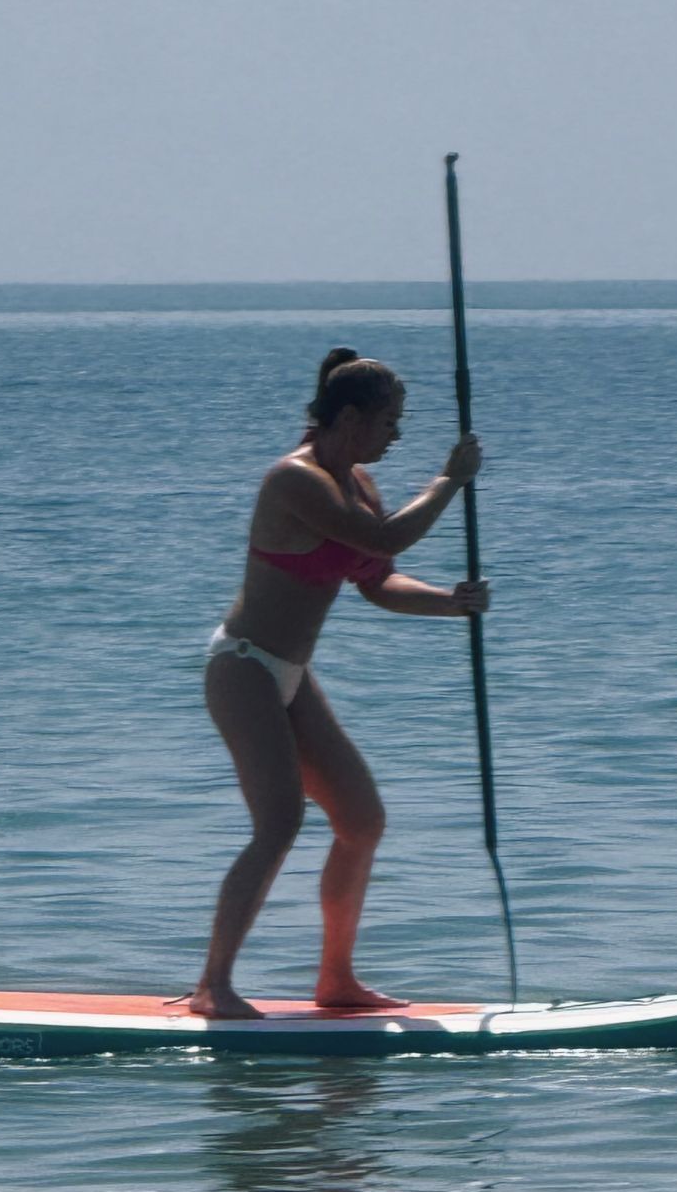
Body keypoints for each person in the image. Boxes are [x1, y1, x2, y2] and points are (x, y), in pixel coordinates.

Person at [190, 347, 487, 1019]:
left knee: (361, 819)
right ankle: (213, 984)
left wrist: (451, 601)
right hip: (243, 666)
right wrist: (449, 480)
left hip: (290, 675)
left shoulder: (358, 483)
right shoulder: (294, 480)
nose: (396, 436)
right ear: (350, 418)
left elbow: (376, 577)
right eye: (391, 423)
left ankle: (337, 980)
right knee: (279, 822)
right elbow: (382, 538)